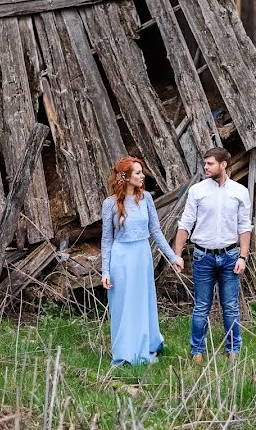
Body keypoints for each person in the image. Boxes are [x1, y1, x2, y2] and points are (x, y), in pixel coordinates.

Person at [101, 156, 185, 367]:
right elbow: (107, 239)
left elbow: (155, 231)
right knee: (122, 305)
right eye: (137, 172)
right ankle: (124, 352)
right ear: (126, 176)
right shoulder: (109, 204)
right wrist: (105, 271)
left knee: (141, 303)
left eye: (141, 172)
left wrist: (173, 256)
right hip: (121, 259)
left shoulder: (146, 198)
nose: (142, 176)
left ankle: (144, 346)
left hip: (141, 256)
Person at [173, 147, 252, 363]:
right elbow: (185, 224)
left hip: (230, 256)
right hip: (203, 257)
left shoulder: (239, 192)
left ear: (223, 164)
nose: (206, 167)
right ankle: (197, 351)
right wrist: (177, 255)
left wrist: (242, 257)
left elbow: (245, 226)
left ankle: (233, 351)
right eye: (205, 163)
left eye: (210, 163)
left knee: (230, 306)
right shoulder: (197, 191)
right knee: (201, 306)